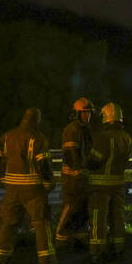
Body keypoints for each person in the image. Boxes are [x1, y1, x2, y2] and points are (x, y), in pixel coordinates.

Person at [0, 108, 59, 264]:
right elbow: (43, 164)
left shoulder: (7, 136)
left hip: (12, 188)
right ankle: (47, 260)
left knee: (7, 223)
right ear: (37, 121)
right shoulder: (38, 138)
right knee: (41, 223)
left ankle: (0, 259)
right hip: (33, 188)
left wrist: (3, 177)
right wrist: (48, 182)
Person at [86, 102, 132, 263]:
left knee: (99, 218)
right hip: (118, 184)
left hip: (100, 186)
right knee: (117, 217)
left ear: (105, 118)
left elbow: (93, 161)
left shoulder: (103, 137)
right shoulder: (126, 137)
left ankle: (98, 251)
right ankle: (118, 248)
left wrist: (85, 166)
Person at [55, 97, 94, 249]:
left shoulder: (85, 129)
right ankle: (60, 239)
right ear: (76, 113)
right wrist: (78, 171)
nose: (87, 115)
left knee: (82, 209)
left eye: (89, 113)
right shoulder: (72, 129)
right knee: (70, 207)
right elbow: (70, 151)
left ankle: (79, 239)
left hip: (82, 176)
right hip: (73, 178)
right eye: (84, 113)